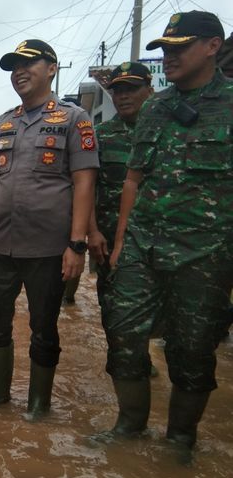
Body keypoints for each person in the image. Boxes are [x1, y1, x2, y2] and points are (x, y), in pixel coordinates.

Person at [104, 12, 231, 463]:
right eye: (165, 48)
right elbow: (133, 180)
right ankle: (129, 425)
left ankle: (180, 439)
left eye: (180, 46)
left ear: (213, 46)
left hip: (208, 252)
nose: (169, 56)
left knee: (192, 348)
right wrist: (120, 243)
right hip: (143, 244)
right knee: (121, 332)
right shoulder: (156, 108)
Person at [0, 39, 98, 421]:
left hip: (48, 248)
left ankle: (39, 403)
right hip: (0, 247)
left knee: (44, 326)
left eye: (28, 64)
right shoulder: (1, 123)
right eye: (13, 67)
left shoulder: (75, 120)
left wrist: (77, 244)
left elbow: (84, 182)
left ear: (52, 68)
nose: (19, 72)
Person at [87, 63, 158, 436]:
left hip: (172, 245)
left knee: (185, 336)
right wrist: (92, 232)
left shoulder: (167, 128)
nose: (123, 95)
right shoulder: (100, 136)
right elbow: (87, 190)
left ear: (149, 88)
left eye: (131, 88)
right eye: (117, 90)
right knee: (116, 321)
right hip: (113, 248)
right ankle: (131, 417)